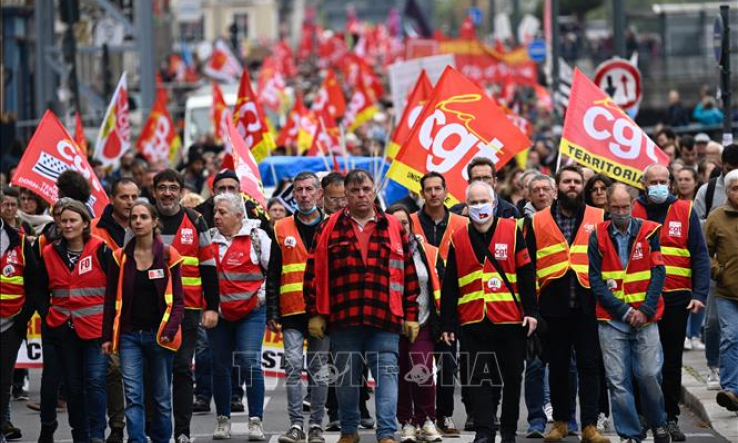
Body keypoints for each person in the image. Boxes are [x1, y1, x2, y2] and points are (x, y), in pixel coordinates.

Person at [305, 169, 420, 443]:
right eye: (355, 191)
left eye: (366, 189)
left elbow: (408, 273)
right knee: (346, 381)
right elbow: (313, 272)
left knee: (388, 378)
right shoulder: (329, 227)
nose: (361, 195)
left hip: (385, 317)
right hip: (344, 318)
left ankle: (387, 433)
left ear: (373, 190)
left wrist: (411, 315)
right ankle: (349, 430)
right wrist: (316, 313)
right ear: (345, 194)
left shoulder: (393, 226)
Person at [440, 181, 538, 443]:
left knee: (511, 380)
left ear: (494, 203)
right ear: (466, 206)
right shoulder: (458, 238)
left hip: (510, 320)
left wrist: (531, 312)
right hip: (473, 321)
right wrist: (448, 324)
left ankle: (507, 433)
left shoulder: (513, 230)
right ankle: (484, 432)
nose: (479, 206)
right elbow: (450, 285)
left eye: (484, 201)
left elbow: (527, 274)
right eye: (473, 202)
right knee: (476, 380)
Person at [524, 165, 609, 443]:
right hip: (552, 307)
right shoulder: (537, 221)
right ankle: (560, 422)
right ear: (557, 187)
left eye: (576, 181)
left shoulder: (599, 216)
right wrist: (533, 309)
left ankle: (589, 425)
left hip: (588, 305)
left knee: (589, 367)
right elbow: (528, 267)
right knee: (558, 367)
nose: (572, 185)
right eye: (567, 182)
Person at [588, 183, 671, 443]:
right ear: (607, 207)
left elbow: (659, 273)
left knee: (648, 375)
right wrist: (624, 311)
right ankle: (630, 434)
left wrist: (645, 310)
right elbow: (595, 280)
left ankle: (658, 422)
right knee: (617, 381)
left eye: (626, 207)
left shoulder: (649, 232)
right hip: (612, 320)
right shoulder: (597, 235)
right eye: (616, 208)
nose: (621, 212)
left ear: (633, 205)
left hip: (646, 319)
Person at [632, 165, 709, 440]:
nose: (658, 186)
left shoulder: (685, 211)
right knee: (642, 363)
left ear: (671, 183)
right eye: (653, 181)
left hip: (677, 298)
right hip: (641, 300)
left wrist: (699, 294)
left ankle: (670, 418)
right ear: (644, 184)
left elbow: (699, 255)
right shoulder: (632, 211)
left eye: (663, 181)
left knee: (671, 362)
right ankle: (642, 416)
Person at [101, 201, 185, 443]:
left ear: (154, 222)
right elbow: (110, 301)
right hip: (129, 337)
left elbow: (178, 301)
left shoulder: (169, 255)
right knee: (133, 395)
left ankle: (161, 439)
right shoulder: (119, 257)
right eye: (134, 218)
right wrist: (107, 336)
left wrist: (170, 330)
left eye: (143, 217)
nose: (137, 221)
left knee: (160, 397)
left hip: (160, 336)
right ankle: (136, 439)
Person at [152, 169, 219, 443]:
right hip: (149, 311)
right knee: (153, 374)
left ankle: (182, 432)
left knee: (181, 369)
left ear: (181, 191)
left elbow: (208, 266)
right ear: (154, 191)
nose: (167, 192)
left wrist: (212, 306)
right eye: (162, 187)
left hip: (187, 311)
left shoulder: (196, 221)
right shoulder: (143, 218)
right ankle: (154, 431)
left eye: (173, 187)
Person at [39, 199, 112, 443]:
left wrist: (110, 329)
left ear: (84, 223)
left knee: (94, 382)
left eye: (73, 221)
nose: (67, 225)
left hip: (95, 331)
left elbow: (114, 291)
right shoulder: (49, 252)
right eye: (64, 221)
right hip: (63, 330)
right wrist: (48, 316)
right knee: (73, 387)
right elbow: (40, 289)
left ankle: (97, 434)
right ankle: (79, 436)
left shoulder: (101, 249)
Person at [266, 172, 330, 443]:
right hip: (291, 310)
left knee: (319, 370)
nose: (303, 195)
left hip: (323, 310)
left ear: (319, 194)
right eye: (298, 190)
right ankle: (296, 426)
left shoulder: (333, 226)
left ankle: (315, 424)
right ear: (293, 194)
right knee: (292, 366)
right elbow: (273, 272)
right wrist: (272, 311)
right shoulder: (280, 227)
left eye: (308, 190)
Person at [207, 193, 270, 441]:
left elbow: (272, 272)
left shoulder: (257, 237)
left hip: (251, 314)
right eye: (215, 212)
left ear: (238, 215)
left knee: (249, 363)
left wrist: (260, 298)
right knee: (220, 367)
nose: (216, 216)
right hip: (219, 315)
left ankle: (256, 421)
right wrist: (210, 307)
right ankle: (223, 419)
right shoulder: (207, 240)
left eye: (222, 212)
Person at [408, 172, 464, 435]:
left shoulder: (461, 223)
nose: (433, 193)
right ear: (422, 193)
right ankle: (415, 417)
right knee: (416, 366)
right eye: (428, 189)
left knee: (447, 363)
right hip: (419, 303)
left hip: (452, 301)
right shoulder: (409, 222)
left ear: (446, 191)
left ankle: (445, 415)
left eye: (437, 188)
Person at [386, 205, 443, 443]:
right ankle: (407, 422)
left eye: (405, 223)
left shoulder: (429, 251)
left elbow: (440, 285)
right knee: (399, 374)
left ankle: (427, 420)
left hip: (423, 322)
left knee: (421, 369)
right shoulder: (382, 250)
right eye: (396, 223)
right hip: (392, 323)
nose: (402, 228)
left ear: (411, 225)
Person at [89, 177, 139, 443]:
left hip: (141, 310)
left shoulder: (145, 222)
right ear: (112, 198)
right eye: (124, 197)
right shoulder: (96, 228)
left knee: (138, 373)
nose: (130, 203)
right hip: (107, 309)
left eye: (134, 197)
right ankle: (117, 425)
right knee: (112, 370)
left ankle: (140, 426)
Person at [694, 144, 738, 390]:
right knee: (714, 324)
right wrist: (716, 269)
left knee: (733, 336)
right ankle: (715, 368)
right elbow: (697, 226)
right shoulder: (708, 191)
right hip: (719, 276)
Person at [0, 198, 41, 443]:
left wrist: (21, 320)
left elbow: (35, 286)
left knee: (3, 379)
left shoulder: (21, 241)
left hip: (9, 324)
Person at [704, 169, 738, 412]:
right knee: (730, 337)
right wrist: (719, 270)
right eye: (735, 188)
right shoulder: (716, 218)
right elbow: (703, 253)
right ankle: (731, 390)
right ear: (727, 191)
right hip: (727, 292)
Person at [450, 157, 520, 218]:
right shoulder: (454, 213)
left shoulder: (511, 212)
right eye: (477, 178)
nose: (482, 182)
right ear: (469, 182)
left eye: (486, 178)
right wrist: (462, 217)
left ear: (494, 181)